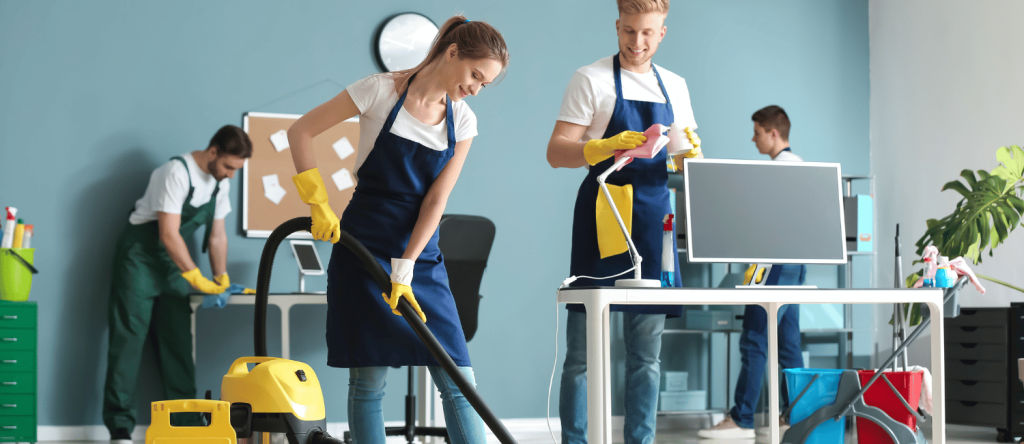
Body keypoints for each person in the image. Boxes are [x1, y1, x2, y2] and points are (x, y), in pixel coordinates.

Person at [285, 15, 508, 444]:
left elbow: (435, 201)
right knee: (368, 383)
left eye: (485, 84)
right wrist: (317, 203)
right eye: (475, 76)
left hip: (419, 254)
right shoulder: (379, 91)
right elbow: (301, 131)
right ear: (453, 52)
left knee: (459, 381)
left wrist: (406, 266)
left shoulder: (462, 122)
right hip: (361, 246)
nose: (476, 89)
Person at [546, 1, 703, 443]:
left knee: (647, 353)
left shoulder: (675, 86)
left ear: (663, 33)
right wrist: (601, 146)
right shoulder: (590, 79)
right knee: (581, 352)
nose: (638, 43)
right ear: (617, 27)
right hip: (603, 212)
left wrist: (693, 153)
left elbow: (685, 155)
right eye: (629, 31)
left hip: (654, 219)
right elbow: (556, 152)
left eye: (648, 33)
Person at [103, 125, 252, 444]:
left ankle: (185, 427)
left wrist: (220, 278)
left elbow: (217, 235)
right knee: (128, 340)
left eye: (236, 170)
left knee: (179, 346)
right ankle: (120, 428)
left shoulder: (219, 184)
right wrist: (196, 277)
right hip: (140, 259)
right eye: (228, 166)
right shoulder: (174, 172)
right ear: (213, 152)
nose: (230, 175)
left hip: (173, 267)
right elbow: (168, 234)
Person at [698, 105, 807, 439]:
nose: (753, 138)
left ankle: (742, 419)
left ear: (773, 133)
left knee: (755, 339)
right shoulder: (801, 167)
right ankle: (796, 417)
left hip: (774, 266)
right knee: (787, 342)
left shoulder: (778, 171)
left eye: (757, 132)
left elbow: (765, 225)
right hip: (795, 264)